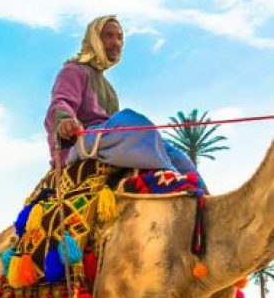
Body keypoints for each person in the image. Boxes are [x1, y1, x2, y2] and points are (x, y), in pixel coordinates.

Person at [45, 15, 200, 181]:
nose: (116, 43)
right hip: (80, 142)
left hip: (107, 141)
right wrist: (65, 121)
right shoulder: (74, 70)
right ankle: (170, 179)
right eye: (109, 36)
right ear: (94, 39)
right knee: (134, 123)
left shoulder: (109, 89)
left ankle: (204, 197)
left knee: (173, 152)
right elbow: (60, 102)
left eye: (119, 38)